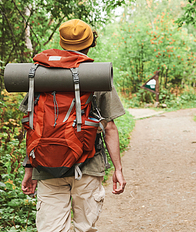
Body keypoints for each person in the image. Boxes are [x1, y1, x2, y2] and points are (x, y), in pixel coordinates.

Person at [20, 19, 127, 232]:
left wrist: (29, 168)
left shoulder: (39, 74)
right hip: (88, 163)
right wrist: (118, 169)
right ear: (90, 44)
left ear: (62, 42)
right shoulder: (96, 76)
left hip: (46, 164)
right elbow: (109, 127)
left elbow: (32, 124)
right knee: (84, 228)